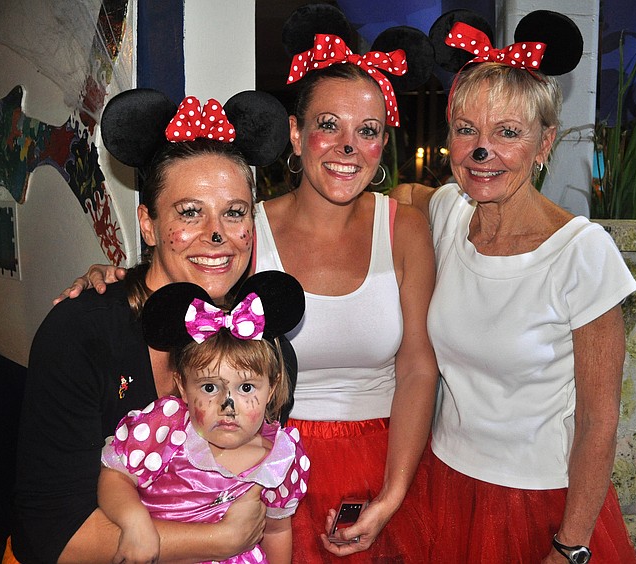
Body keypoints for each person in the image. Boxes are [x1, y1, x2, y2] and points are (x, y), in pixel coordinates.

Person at [56, 31, 440, 563]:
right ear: (295, 133)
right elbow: (185, 269)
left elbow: (419, 365)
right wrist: (113, 278)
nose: (348, 147)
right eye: (329, 124)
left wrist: (394, 493)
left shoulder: (406, 228)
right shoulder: (246, 227)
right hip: (255, 463)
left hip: (381, 462)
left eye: (368, 130)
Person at [392, 12, 636, 563]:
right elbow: (392, 198)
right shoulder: (449, 213)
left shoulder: (581, 252)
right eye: (467, 130)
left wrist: (570, 546)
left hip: (539, 502)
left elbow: (599, 422)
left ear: (544, 142)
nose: (483, 152)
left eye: (507, 132)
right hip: (444, 484)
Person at [7, 91, 290, 563]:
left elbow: (265, 498)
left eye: (234, 212)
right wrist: (221, 540)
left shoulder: (260, 340)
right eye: (190, 211)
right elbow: (52, 533)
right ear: (149, 225)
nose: (216, 233)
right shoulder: (83, 332)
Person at [99, 271, 309, 564]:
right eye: (210, 388)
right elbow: (114, 477)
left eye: (246, 387)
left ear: (271, 389)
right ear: (183, 386)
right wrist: (134, 522)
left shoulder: (280, 458)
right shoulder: (167, 429)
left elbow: (276, 531)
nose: (228, 406)